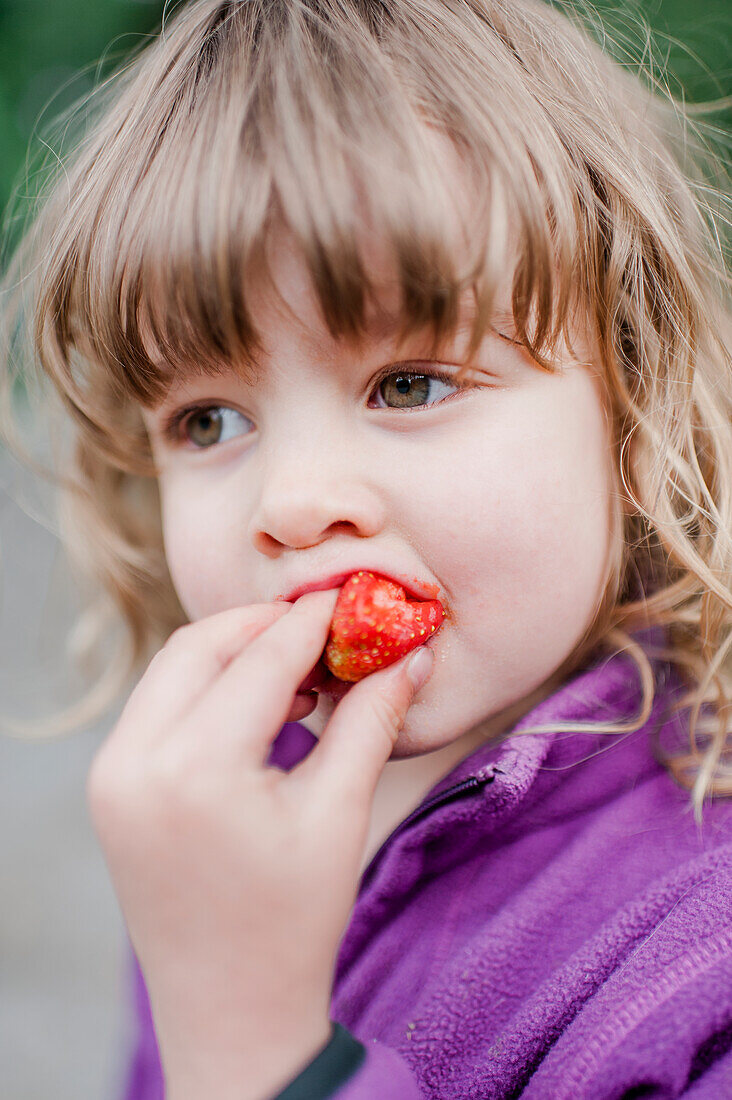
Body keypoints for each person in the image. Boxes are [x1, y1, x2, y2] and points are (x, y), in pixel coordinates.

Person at [1, 0, 731, 1096]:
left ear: (635, 410)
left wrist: (265, 1053)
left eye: (410, 384)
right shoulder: (215, 820)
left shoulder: (695, 959)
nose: (291, 502)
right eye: (208, 420)